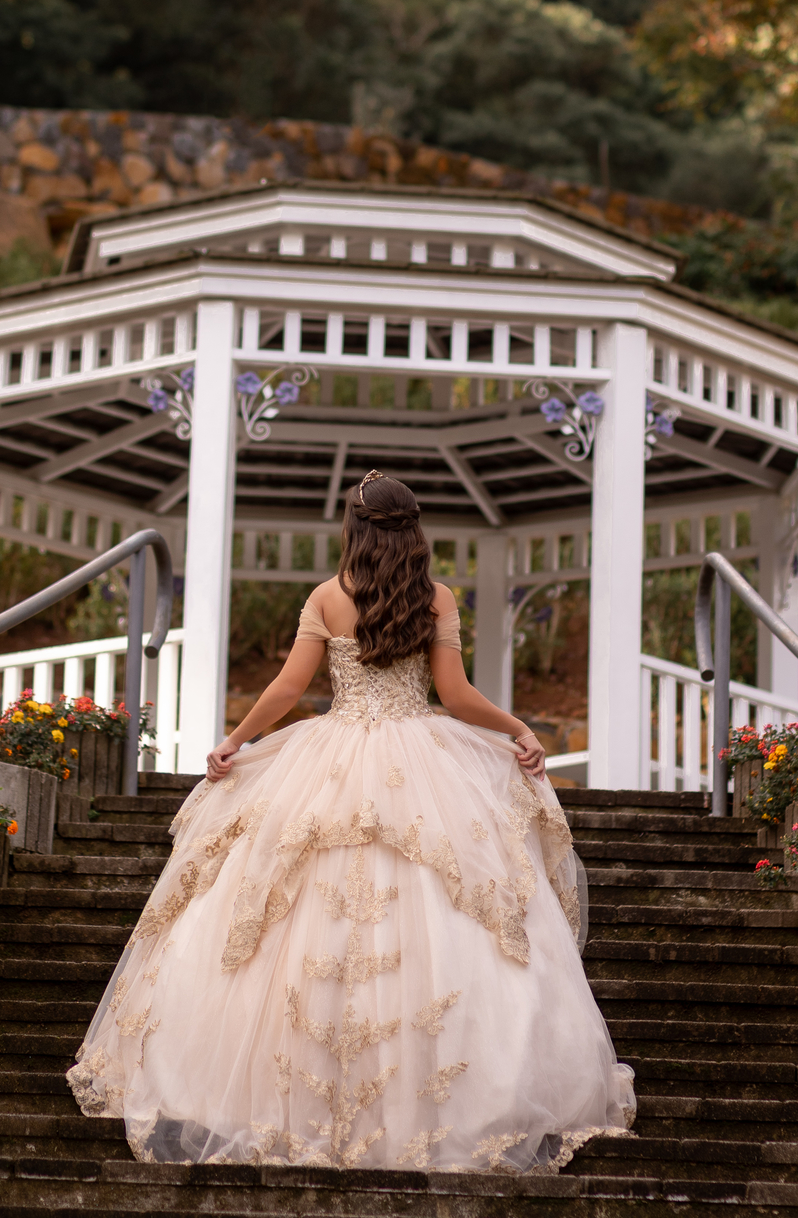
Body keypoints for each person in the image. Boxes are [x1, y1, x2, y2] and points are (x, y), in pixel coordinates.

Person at [68, 471, 635, 1171]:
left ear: (355, 527)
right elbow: (454, 695)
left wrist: (235, 740)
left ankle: (288, 1102)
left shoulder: (329, 596)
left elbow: (288, 686)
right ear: (415, 530)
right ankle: (448, 1107)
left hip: (332, 755)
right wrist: (516, 726)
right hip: (425, 761)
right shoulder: (436, 598)